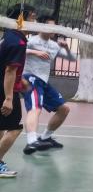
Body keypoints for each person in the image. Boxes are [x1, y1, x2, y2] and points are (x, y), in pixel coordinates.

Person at [21, 14, 75, 155]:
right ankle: (31, 141)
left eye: (54, 27)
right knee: (35, 109)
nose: (53, 29)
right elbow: (17, 49)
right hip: (30, 79)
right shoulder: (31, 41)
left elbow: (72, 59)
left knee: (64, 109)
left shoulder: (54, 46)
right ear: (40, 26)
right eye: (50, 26)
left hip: (44, 82)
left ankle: (45, 137)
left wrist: (66, 48)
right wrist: (34, 52)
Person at [0, 4, 32, 178]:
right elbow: (10, 70)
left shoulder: (8, 36)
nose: (36, 21)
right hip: (4, 89)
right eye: (33, 17)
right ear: (22, 19)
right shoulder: (18, 42)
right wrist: (8, 98)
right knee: (15, 127)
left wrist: (21, 81)